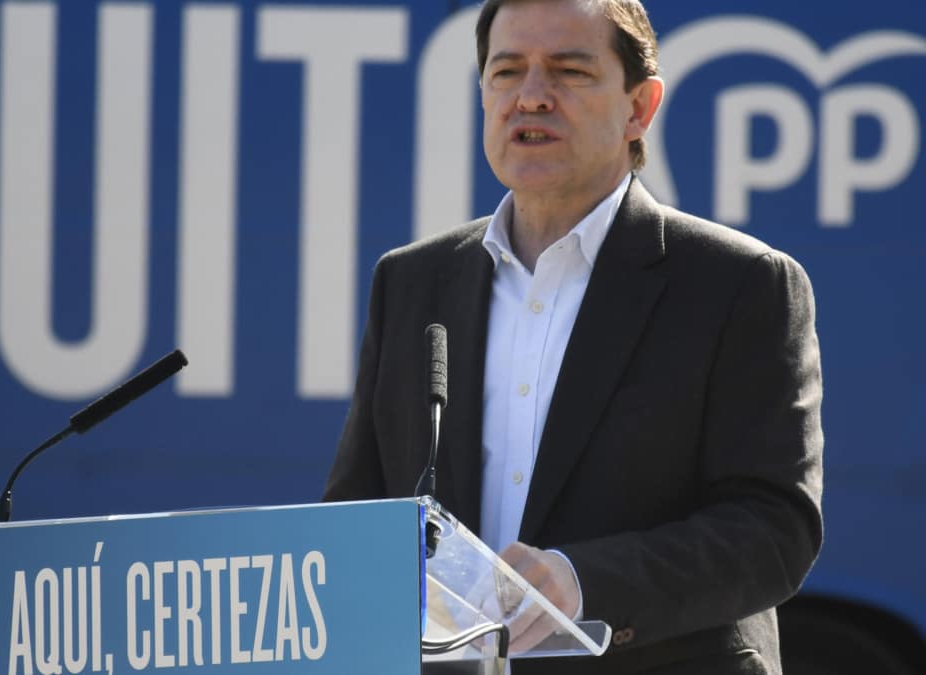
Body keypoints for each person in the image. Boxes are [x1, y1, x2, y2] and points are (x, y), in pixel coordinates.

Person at [322, 0, 824, 673]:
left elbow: (772, 532)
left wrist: (580, 580)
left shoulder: (741, 285)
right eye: (506, 72)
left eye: (569, 71)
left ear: (640, 108)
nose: (531, 96)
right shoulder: (412, 283)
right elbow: (357, 516)